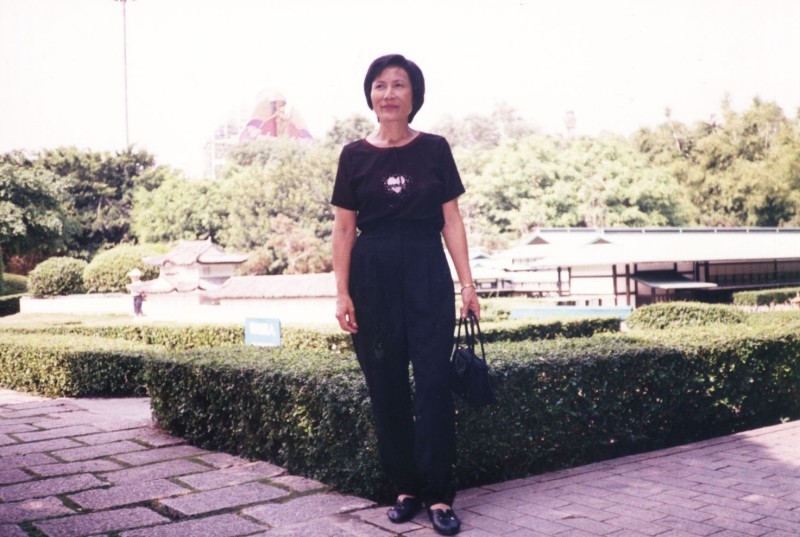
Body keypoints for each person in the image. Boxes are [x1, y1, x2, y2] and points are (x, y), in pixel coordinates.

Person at [331, 53, 480, 536]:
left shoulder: (434, 149)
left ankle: (439, 495)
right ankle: (405, 489)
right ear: (370, 95)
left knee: (433, 382)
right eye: (380, 84)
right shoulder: (353, 156)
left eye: (399, 84)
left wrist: (467, 284)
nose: (389, 93)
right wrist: (342, 293)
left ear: (414, 96)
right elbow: (343, 229)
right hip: (371, 277)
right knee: (386, 384)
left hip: (425, 272)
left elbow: (452, 220)